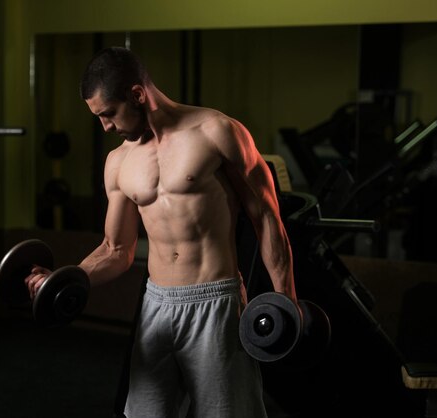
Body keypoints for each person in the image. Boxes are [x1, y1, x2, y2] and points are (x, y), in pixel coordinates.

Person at [25, 46, 296, 418]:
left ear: (137, 95)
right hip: (156, 304)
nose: (105, 127)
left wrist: (286, 301)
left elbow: (267, 217)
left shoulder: (216, 131)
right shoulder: (118, 162)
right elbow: (116, 249)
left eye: (108, 114)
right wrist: (65, 279)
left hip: (215, 302)